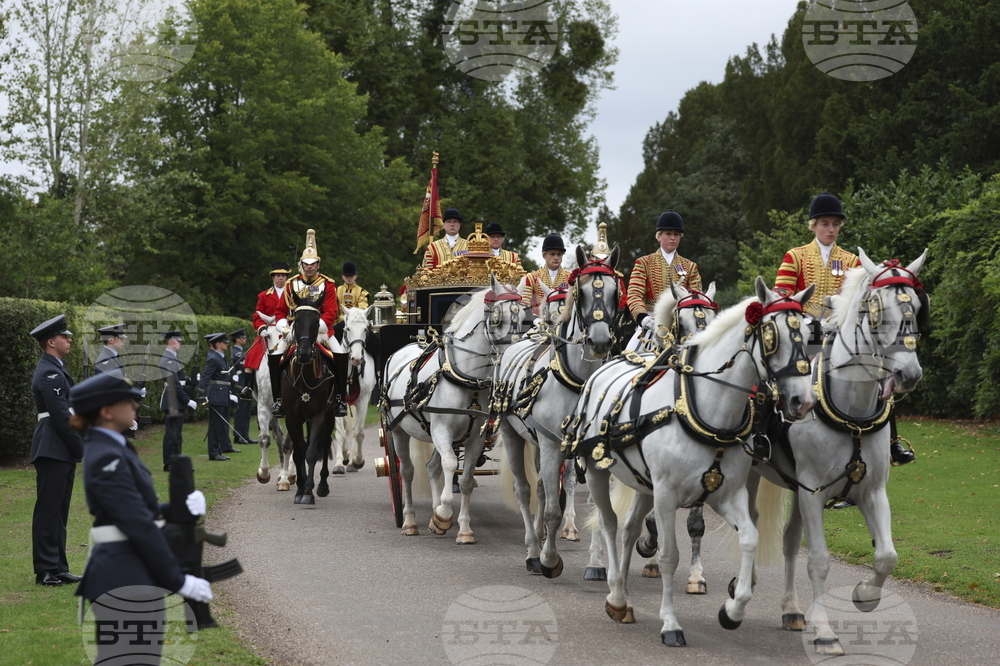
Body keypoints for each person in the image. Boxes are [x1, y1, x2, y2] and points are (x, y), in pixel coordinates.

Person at [774, 192, 913, 506]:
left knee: (876, 375)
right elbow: (782, 296)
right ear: (813, 225)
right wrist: (805, 318)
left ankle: (892, 443)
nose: (831, 229)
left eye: (835, 224)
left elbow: (861, 300)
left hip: (840, 334)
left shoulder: (851, 260)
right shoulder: (795, 256)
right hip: (806, 332)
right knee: (782, 376)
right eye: (825, 223)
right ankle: (766, 435)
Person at [70, 372, 213, 665]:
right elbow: (137, 523)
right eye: (127, 400)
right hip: (121, 575)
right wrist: (178, 580)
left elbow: (138, 508)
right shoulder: (106, 456)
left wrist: (180, 508)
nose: (135, 404)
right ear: (106, 411)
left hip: (129, 569)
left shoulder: (114, 447)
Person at [28, 314, 84, 587]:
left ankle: (59, 566)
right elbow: (62, 416)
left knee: (59, 511)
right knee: (49, 511)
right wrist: (80, 446)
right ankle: (46, 569)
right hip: (53, 446)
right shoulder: (50, 371)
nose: (69, 339)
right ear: (51, 342)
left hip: (59, 447)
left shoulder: (56, 367)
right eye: (65, 336)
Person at [274, 229, 348, 417]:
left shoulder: (328, 284)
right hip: (295, 329)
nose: (309, 267)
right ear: (301, 265)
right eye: (306, 264)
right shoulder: (291, 284)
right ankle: (278, 400)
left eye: (313, 263)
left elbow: (332, 311)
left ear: (318, 264)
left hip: (322, 331)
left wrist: (318, 328)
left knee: (340, 354)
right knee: (275, 355)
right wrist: (284, 328)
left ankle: (340, 399)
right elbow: (280, 310)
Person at [626, 210, 702, 330]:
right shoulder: (644, 263)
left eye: (676, 234)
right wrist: (642, 317)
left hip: (682, 322)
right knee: (631, 349)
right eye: (668, 233)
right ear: (659, 236)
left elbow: (697, 297)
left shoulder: (690, 266)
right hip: (651, 319)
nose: (673, 238)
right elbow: (634, 294)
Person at [241, 261, 290, 401]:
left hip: (288, 330)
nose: (281, 278)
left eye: (283, 275)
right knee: (253, 353)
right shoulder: (263, 295)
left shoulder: (292, 294)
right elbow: (257, 315)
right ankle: (248, 386)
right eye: (278, 275)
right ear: (273, 278)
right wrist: (262, 328)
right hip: (269, 331)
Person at [159, 331, 197, 472]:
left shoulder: (173, 358)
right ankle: (169, 463)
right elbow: (174, 383)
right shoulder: (167, 359)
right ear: (170, 342)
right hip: (172, 400)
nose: (180, 342)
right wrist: (187, 400)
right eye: (178, 340)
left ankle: (177, 461)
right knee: (171, 433)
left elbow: (180, 379)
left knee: (177, 433)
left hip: (176, 400)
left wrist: (191, 380)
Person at [197, 333, 237, 461]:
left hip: (223, 394)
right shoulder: (213, 358)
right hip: (216, 394)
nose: (226, 344)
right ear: (218, 344)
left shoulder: (220, 357)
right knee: (215, 425)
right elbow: (205, 377)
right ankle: (213, 452)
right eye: (224, 342)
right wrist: (202, 395)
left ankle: (218, 450)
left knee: (221, 424)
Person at [521, 233, 571, 315]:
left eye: (559, 254)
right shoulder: (532, 278)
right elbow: (524, 305)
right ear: (544, 255)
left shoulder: (571, 278)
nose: (556, 257)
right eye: (552, 254)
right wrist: (534, 320)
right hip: (537, 324)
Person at [229, 329, 252, 448]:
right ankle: (239, 435)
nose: (245, 340)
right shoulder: (236, 352)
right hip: (240, 385)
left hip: (246, 384)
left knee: (247, 411)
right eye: (242, 338)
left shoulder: (241, 352)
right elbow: (244, 366)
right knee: (241, 412)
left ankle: (245, 435)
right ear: (237, 339)